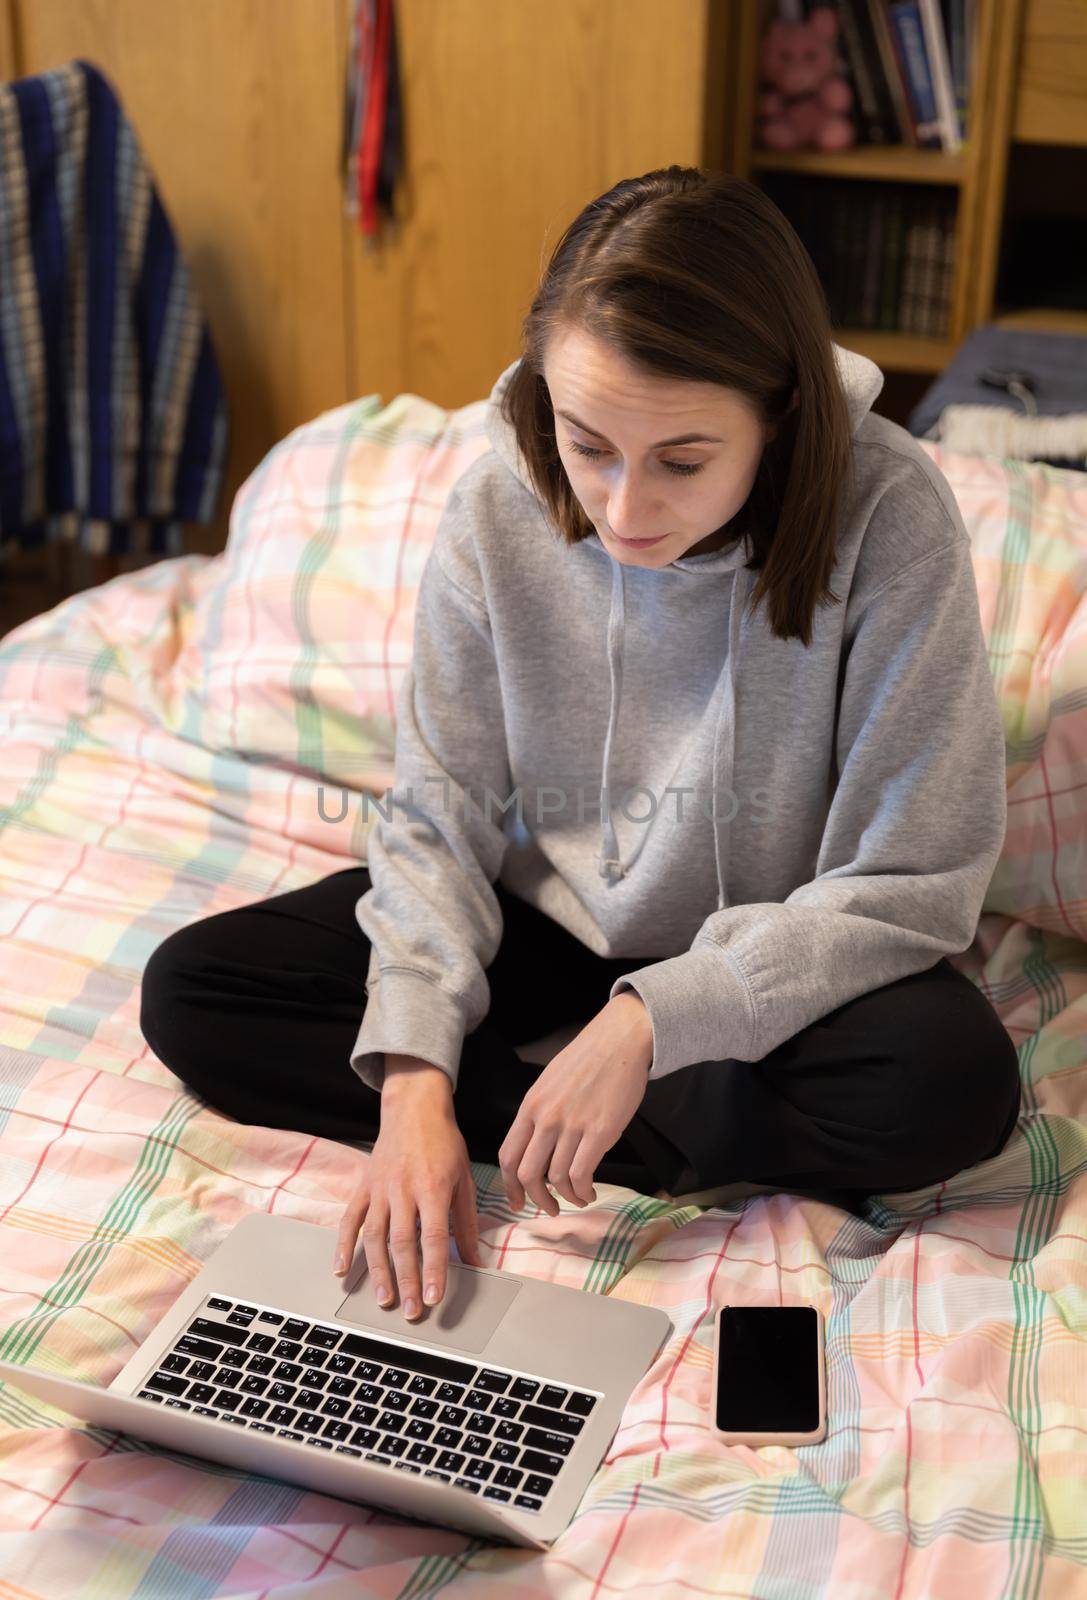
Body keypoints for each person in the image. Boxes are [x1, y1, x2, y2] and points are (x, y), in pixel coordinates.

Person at [139, 167, 1021, 1329]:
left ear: (780, 418)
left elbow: (916, 879)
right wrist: (411, 1086)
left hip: (767, 943)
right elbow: (439, 806)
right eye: (587, 442)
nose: (620, 507)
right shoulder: (501, 499)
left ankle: (570, 1102)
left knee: (951, 1082)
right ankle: (526, 1117)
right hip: (544, 916)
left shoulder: (891, 517)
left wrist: (650, 1020)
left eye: (683, 460)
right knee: (197, 992)